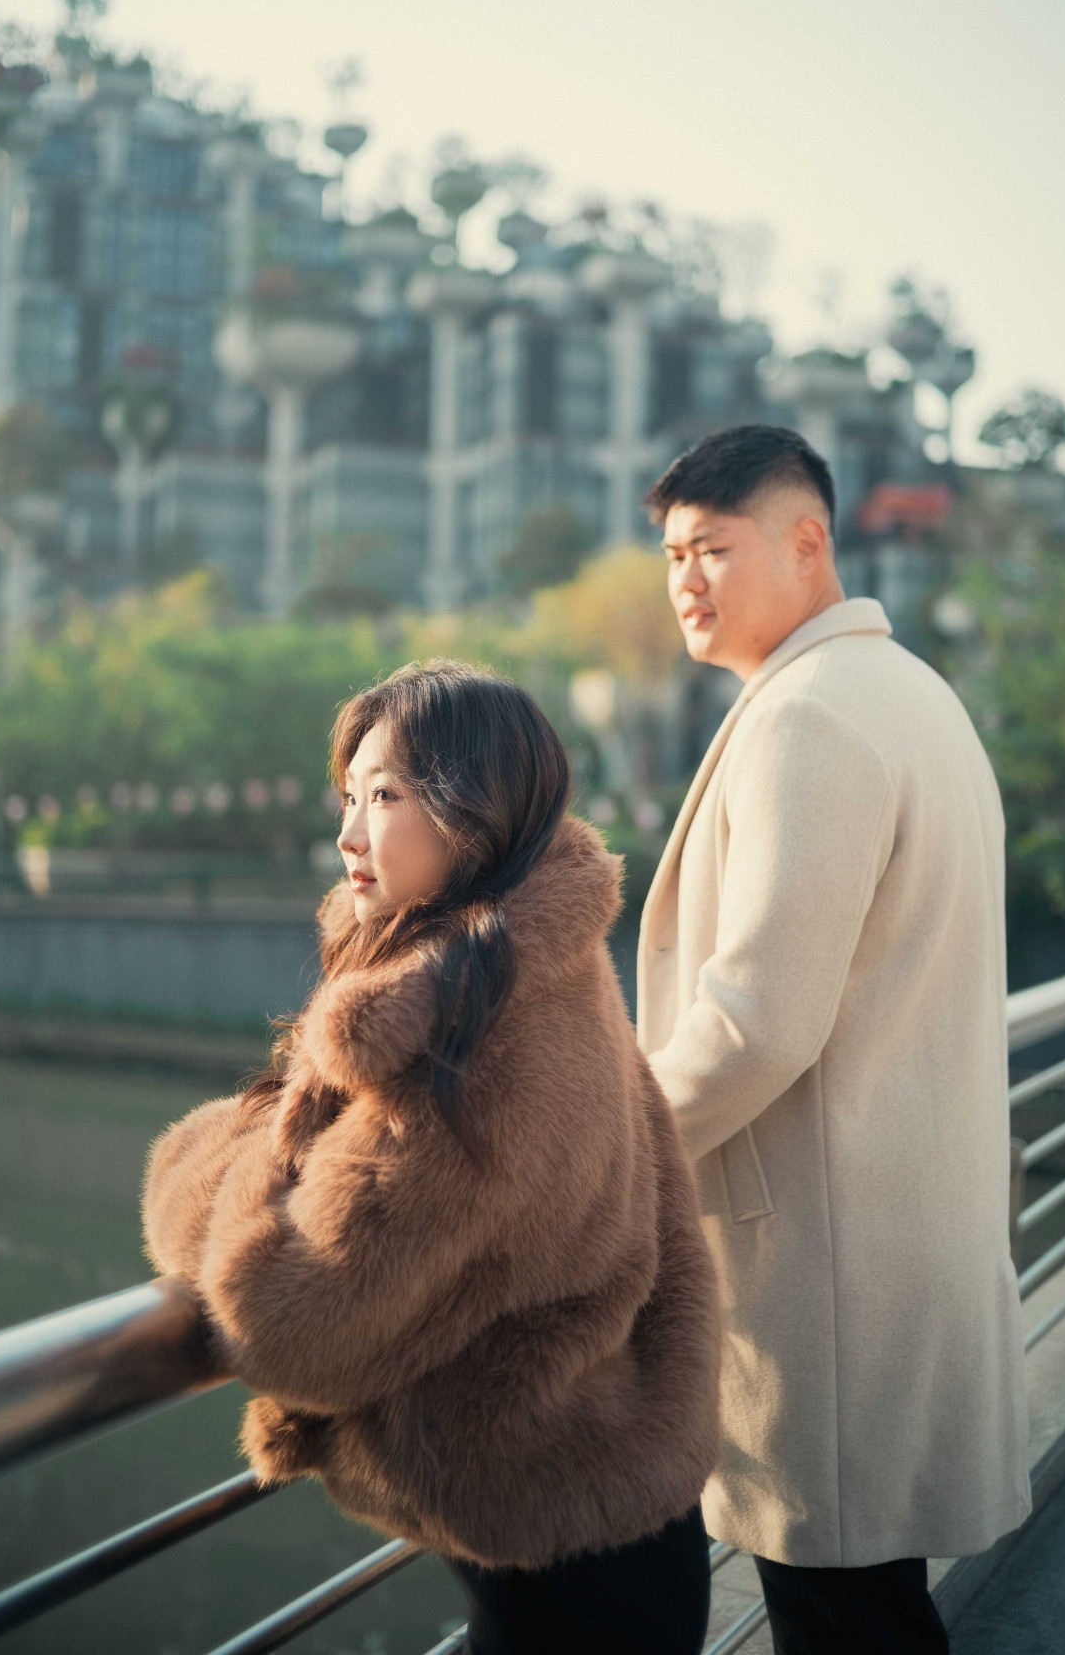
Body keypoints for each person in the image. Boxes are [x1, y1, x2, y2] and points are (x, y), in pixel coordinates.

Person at [141, 661, 721, 1655]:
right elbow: (671, 1237)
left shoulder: (470, 1042)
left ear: (472, 814)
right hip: (612, 1511)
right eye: (348, 797)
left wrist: (203, 1160)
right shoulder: (538, 965)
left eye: (383, 797)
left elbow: (284, 1321)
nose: (347, 835)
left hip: (564, 1560)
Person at [637, 425, 1031, 1655]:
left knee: (841, 1613)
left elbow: (755, 1021)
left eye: (712, 548)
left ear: (806, 543)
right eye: (670, 554)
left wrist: (597, 1148)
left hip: (826, 1262)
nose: (684, 579)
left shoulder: (809, 716)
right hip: (887, 1227)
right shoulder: (909, 693)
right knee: (865, 1606)